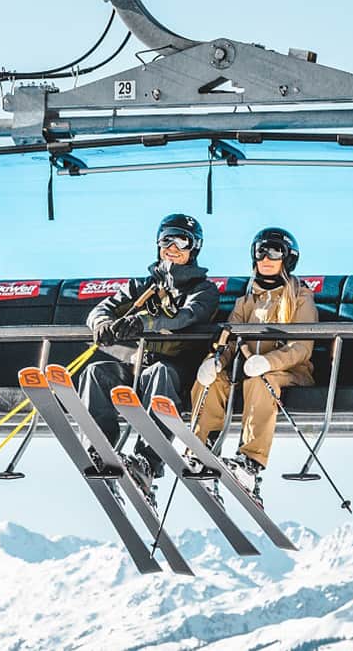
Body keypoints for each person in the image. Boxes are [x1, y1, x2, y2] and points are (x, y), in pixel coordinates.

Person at [77, 213, 220, 506]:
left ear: (194, 248)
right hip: (139, 364)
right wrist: (103, 324)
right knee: (96, 372)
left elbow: (186, 316)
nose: (173, 247)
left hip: (178, 369)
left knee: (158, 373)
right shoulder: (141, 286)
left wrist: (145, 322)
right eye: (167, 240)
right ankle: (100, 450)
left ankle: (146, 462)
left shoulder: (203, 289)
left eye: (182, 241)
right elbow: (101, 310)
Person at [187, 227, 318, 505]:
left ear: (288, 259)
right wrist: (216, 361)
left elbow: (302, 346)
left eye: (275, 252)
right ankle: (203, 452)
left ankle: (250, 464)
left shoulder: (300, 298)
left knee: (261, 381)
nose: (266, 258)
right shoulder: (246, 301)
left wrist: (269, 362)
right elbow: (229, 340)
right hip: (245, 373)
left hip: (289, 374)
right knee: (212, 381)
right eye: (261, 252)